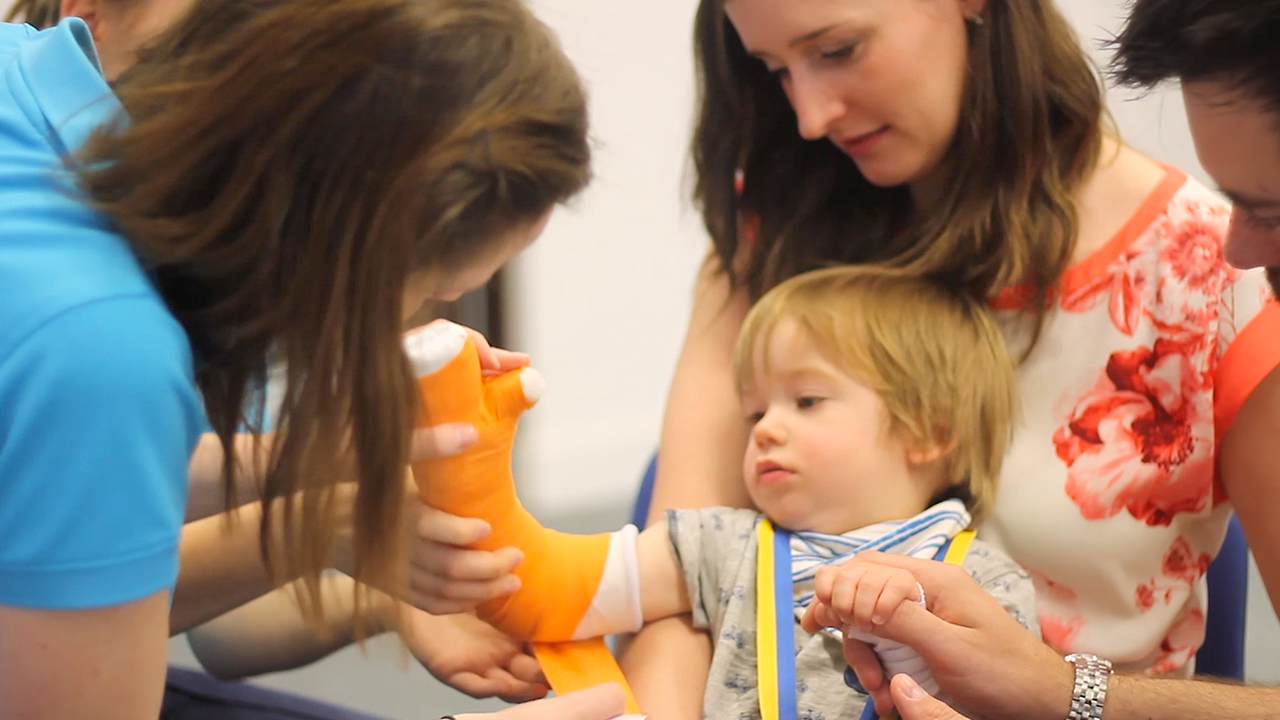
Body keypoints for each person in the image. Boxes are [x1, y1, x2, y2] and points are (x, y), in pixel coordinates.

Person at [622, 0, 1280, 716]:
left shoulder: (1226, 275)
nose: (810, 116)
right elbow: (676, 601)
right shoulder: (775, 234)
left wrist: (1070, 698)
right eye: (774, 70)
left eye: (838, 50)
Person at [0, 1, 624, 718]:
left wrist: (318, 483)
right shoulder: (104, 354)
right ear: (342, 250)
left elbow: (65, 491)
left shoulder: (19, 72)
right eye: (424, 291)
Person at [412, 264, 1037, 719]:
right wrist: (471, 461)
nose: (767, 428)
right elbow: (547, 588)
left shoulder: (986, 587)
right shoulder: (722, 544)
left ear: (929, 431)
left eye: (807, 400)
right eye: (754, 412)